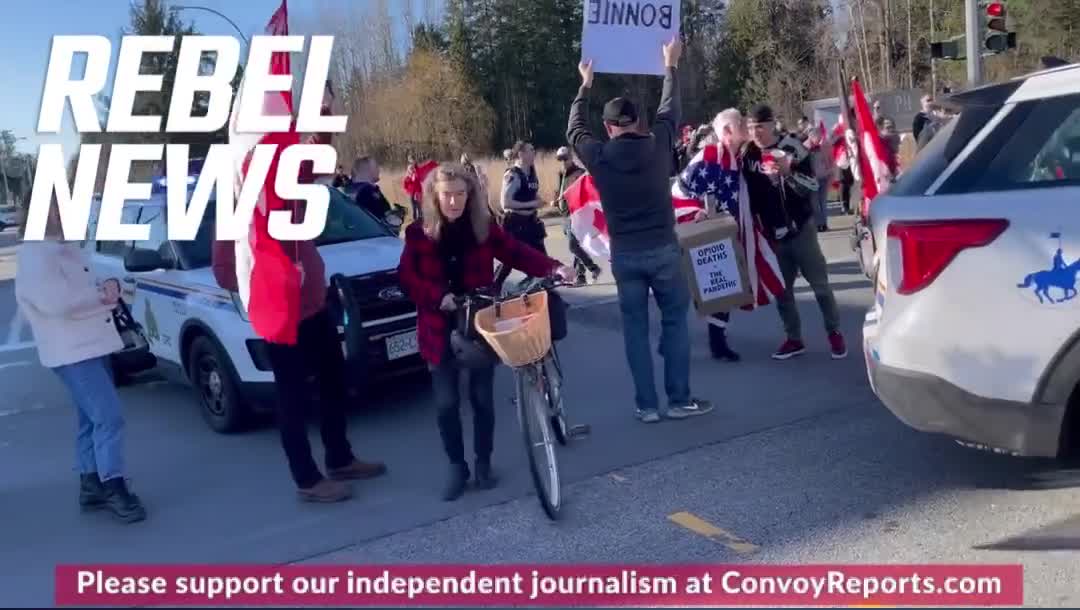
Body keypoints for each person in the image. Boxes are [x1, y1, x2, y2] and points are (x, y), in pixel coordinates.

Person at [212, 102, 387, 504]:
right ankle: (306, 478)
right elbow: (226, 269)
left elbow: (312, 160)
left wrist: (322, 119)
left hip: (314, 305)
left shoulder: (284, 180)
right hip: (281, 312)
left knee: (333, 381)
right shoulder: (240, 202)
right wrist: (271, 282)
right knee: (292, 395)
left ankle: (339, 457)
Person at [397, 163, 574, 501]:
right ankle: (456, 467)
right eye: (447, 195)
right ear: (435, 197)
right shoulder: (419, 233)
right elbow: (406, 277)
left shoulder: (483, 227)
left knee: (482, 399)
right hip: (438, 326)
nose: (454, 202)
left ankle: (483, 463)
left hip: (479, 323)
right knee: (447, 404)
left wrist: (554, 267)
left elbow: (516, 252)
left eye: (460, 194)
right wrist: (438, 297)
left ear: (469, 195)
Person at [567, 37, 712, 423]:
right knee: (674, 321)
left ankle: (646, 406)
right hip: (663, 248)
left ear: (609, 127)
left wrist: (585, 85)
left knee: (634, 330)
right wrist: (670, 65)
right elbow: (671, 109)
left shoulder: (598, 156)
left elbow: (573, 130)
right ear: (637, 122)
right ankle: (679, 400)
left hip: (626, 255)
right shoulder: (659, 144)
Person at [15, 200, 146, 523]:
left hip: (87, 344)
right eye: (58, 207)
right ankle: (113, 485)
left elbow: (78, 290)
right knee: (108, 417)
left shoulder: (60, 248)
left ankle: (91, 483)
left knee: (92, 418)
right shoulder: (37, 254)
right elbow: (54, 303)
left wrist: (105, 289)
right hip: (72, 349)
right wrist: (102, 297)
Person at [743, 103, 846, 361]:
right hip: (772, 233)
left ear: (772, 124)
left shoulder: (792, 146)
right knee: (783, 291)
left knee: (820, 285)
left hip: (801, 228)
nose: (756, 132)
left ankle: (834, 333)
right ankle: (794, 338)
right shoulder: (749, 154)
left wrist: (788, 173)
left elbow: (812, 185)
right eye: (751, 127)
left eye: (760, 127)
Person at [493, 140, 547, 293]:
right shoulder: (513, 175)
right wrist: (531, 204)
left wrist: (539, 201)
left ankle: (547, 293)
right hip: (515, 223)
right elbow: (506, 202)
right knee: (509, 260)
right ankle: (493, 289)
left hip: (531, 222)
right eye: (530, 150)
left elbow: (531, 193)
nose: (534, 153)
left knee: (542, 259)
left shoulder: (531, 173)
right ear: (521, 154)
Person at [554, 146, 602, 285]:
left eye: (565, 158)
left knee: (572, 245)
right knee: (577, 245)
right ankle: (581, 276)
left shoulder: (579, 174)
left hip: (576, 215)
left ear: (571, 157)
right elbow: (560, 191)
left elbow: (586, 193)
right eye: (560, 159)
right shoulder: (561, 174)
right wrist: (556, 200)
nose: (563, 162)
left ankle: (593, 268)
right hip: (564, 214)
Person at [350, 156, 392, 220]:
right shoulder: (367, 191)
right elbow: (382, 218)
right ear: (367, 170)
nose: (378, 170)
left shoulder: (347, 190)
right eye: (375, 167)